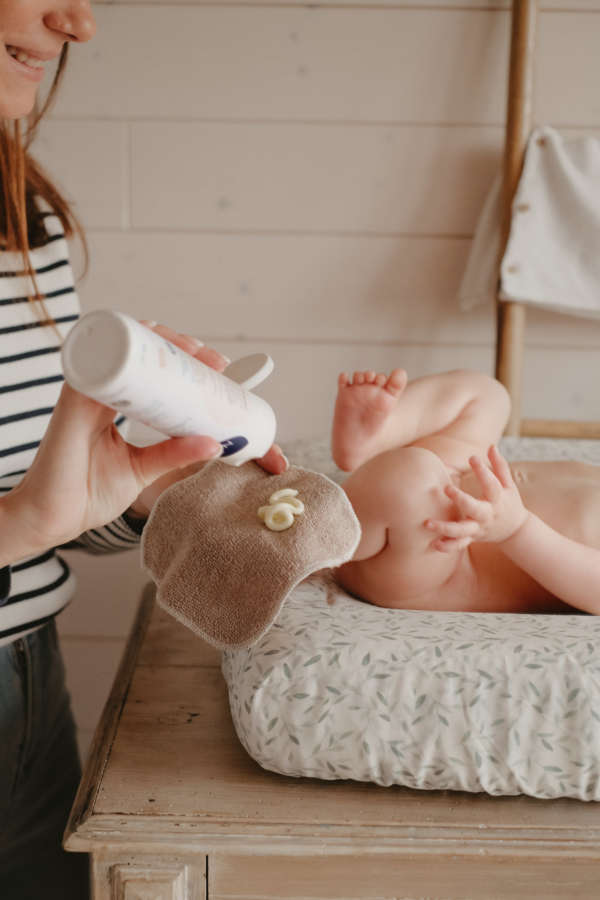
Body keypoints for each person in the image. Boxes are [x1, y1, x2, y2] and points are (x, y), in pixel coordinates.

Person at [0, 2, 286, 896]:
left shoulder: (19, 212)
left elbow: (38, 509)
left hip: (22, 678)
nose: (76, 23)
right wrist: (16, 528)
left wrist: (134, 492)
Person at [331, 367, 600, 616]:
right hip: (457, 474)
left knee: (412, 479)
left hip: (441, 559)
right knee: (489, 397)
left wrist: (516, 529)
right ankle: (375, 436)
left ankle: (324, 534)